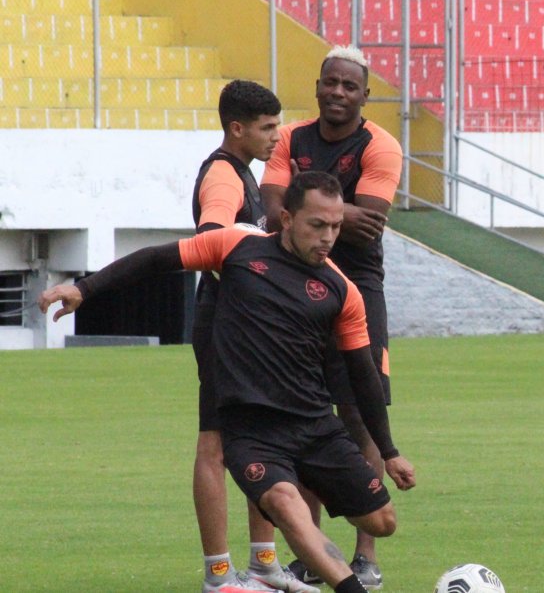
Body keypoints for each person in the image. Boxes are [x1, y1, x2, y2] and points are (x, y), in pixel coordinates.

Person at [38, 171, 416, 593]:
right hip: (251, 431)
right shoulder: (235, 247)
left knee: (382, 522)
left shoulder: (342, 290)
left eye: (335, 227)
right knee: (285, 506)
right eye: (317, 225)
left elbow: (362, 374)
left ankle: (314, 486)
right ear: (287, 219)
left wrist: (389, 451)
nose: (328, 237)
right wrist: (84, 290)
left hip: (315, 426)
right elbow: (153, 260)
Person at [260, 46, 403, 589]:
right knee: (305, 417)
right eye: (330, 83)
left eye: (350, 86)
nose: (338, 93)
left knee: (360, 416)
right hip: (294, 295)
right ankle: (314, 550)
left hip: (356, 293)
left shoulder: (380, 145)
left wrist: (305, 212)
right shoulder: (291, 138)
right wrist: (342, 211)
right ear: (317, 85)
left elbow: (371, 225)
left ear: (366, 96)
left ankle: (365, 555)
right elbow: (270, 213)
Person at [191, 80, 317, 593]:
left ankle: (263, 565)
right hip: (226, 327)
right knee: (215, 446)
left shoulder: (243, 171)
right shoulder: (223, 175)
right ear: (236, 128)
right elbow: (210, 238)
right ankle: (219, 575)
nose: (276, 137)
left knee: (260, 442)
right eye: (267, 128)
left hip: (248, 329)